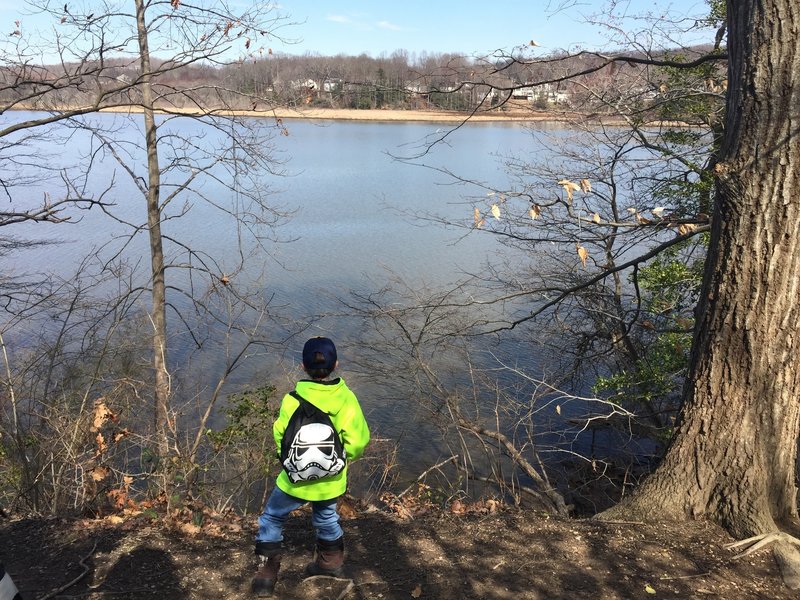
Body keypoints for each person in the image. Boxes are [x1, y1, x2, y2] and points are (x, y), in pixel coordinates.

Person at [252, 336, 370, 596]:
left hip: (294, 479)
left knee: (272, 517)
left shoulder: (292, 399)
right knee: (327, 517)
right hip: (330, 479)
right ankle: (330, 564)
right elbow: (359, 440)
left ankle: (266, 576)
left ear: (303, 367)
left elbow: (281, 436)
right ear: (336, 364)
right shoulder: (346, 399)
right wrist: (341, 460)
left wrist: (288, 462)